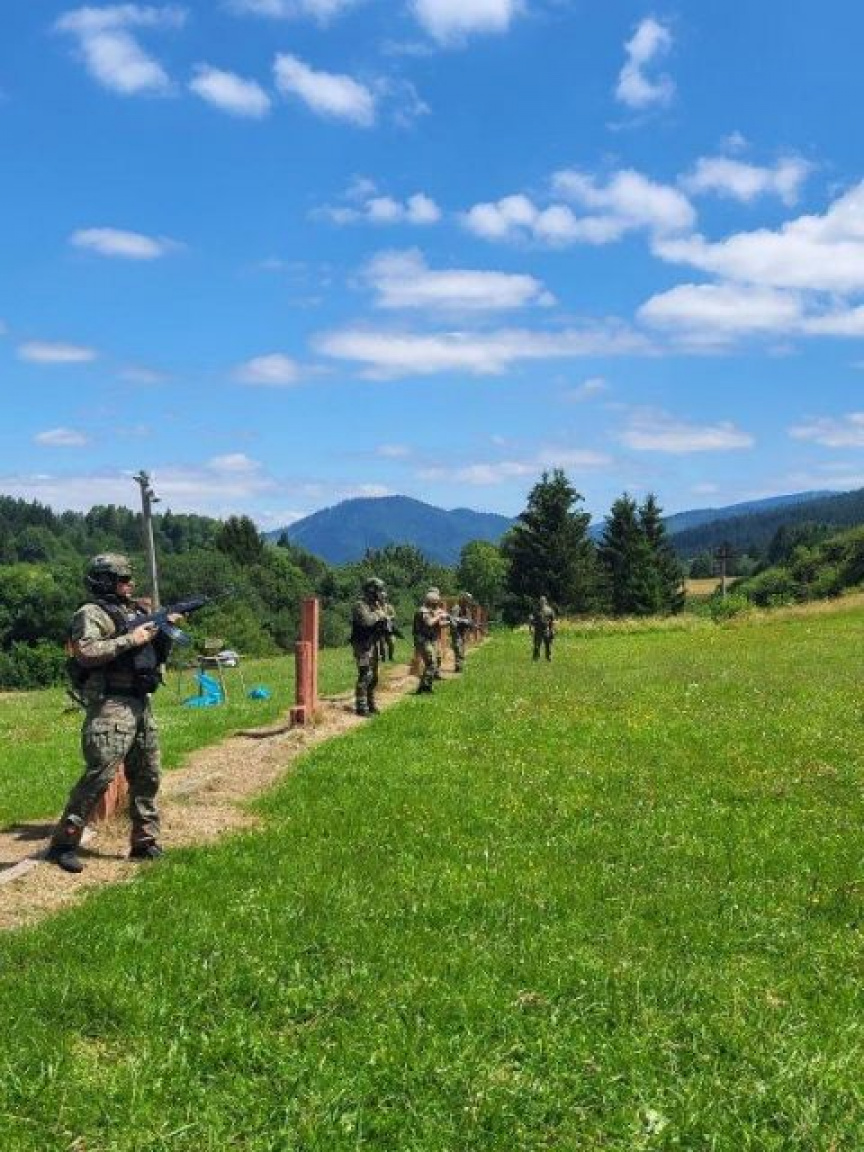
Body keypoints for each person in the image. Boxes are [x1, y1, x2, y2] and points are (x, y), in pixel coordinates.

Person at [47, 554, 176, 874]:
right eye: (123, 579)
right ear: (105, 581)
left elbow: (153, 653)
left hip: (141, 702)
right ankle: (64, 843)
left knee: (148, 773)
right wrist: (133, 637)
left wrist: (164, 629)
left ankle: (145, 841)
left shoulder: (136, 611)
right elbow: (87, 651)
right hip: (111, 704)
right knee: (100, 775)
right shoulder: (90, 614)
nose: (130, 584)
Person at [350, 576, 389, 717]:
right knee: (365, 675)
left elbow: (384, 624)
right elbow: (367, 621)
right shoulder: (360, 605)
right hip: (362, 645)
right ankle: (361, 707)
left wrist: (384, 617)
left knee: (374, 677)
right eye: (379, 590)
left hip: (373, 643)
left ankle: (371, 704)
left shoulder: (376, 605)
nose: (381, 593)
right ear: (371, 590)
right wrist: (379, 614)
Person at [413, 589, 449, 694]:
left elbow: (438, 624)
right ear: (431, 602)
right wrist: (439, 616)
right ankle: (425, 687)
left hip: (428, 640)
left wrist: (450, 622)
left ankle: (424, 687)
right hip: (422, 640)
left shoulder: (430, 611)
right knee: (431, 663)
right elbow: (429, 623)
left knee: (433, 663)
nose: (437, 605)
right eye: (436, 603)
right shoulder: (423, 611)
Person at [449, 591, 475, 673]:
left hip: (462, 632)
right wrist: (464, 621)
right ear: (463, 600)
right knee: (458, 648)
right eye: (466, 600)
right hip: (456, 631)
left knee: (462, 649)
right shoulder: (456, 608)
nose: (468, 603)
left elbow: (469, 620)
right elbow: (452, 619)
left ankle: (459, 666)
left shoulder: (466, 609)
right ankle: (458, 667)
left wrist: (470, 624)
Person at [530, 595, 556, 662]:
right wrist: (531, 628)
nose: (542, 602)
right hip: (537, 630)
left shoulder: (549, 610)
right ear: (539, 602)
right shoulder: (536, 610)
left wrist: (552, 630)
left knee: (548, 645)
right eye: (541, 601)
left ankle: (548, 658)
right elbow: (532, 620)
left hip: (546, 630)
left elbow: (552, 621)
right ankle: (535, 659)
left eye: (543, 601)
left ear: (546, 601)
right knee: (536, 645)